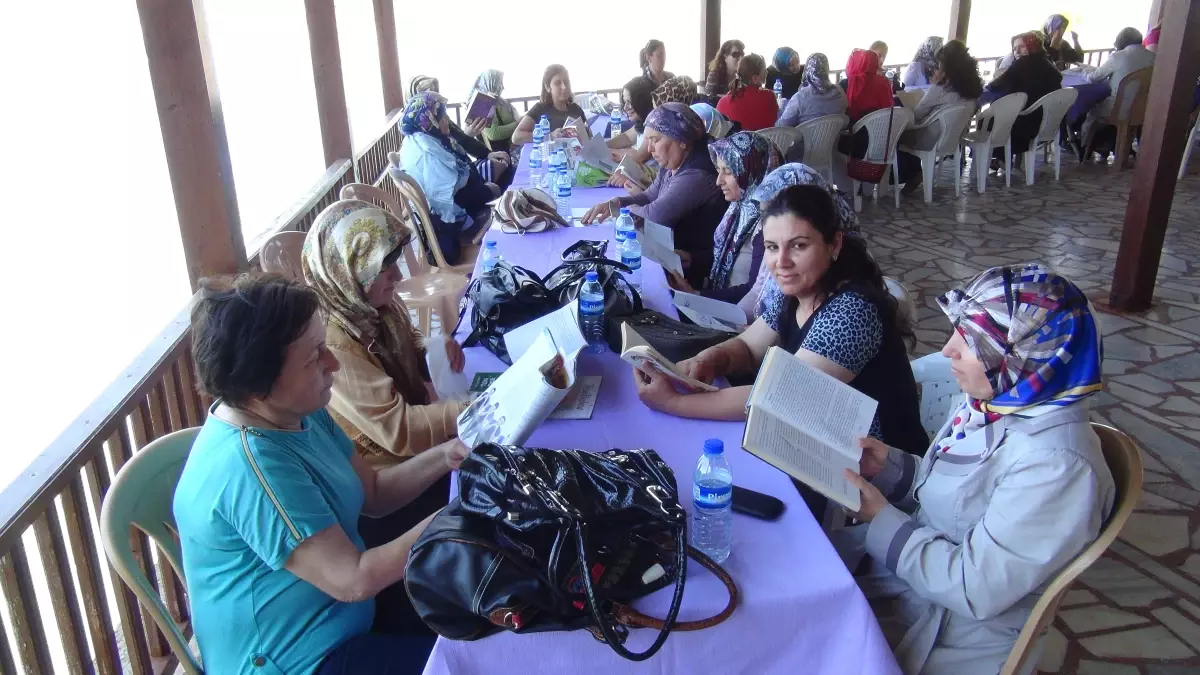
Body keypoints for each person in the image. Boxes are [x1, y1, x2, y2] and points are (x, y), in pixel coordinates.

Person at [174, 273, 471, 675]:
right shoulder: (252, 468)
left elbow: (376, 493)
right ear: (260, 384)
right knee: (474, 655)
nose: (333, 364)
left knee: (482, 605)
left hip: (345, 615)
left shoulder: (297, 411)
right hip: (301, 657)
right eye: (315, 357)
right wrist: (456, 515)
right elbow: (354, 580)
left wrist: (446, 456)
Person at [838, 264, 1113, 675]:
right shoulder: (997, 402)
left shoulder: (1058, 466)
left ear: (1021, 355)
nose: (948, 349)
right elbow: (967, 498)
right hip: (912, 585)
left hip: (948, 632)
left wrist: (880, 518)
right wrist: (890, 467)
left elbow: (974, 587)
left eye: (973, 341)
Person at [633, 165, 927, 462]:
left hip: (879, 472)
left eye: (799, 245)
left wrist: (673, 403)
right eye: (772, 247)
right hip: (823, 444)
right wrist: (713, 358)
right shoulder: (798, 292)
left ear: (834, 244)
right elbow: (749, 347)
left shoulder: (851, 311)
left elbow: (779, 398)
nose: (781, 262)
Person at [580, 103, 727, 288]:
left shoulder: (697, 174)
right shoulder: (675, 161)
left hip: (691, 269)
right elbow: (649, 196)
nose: (649, 149)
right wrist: (616, 202)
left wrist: (621, 212)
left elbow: (653, 216)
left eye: (655, 140)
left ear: (681, 140)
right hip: (671, 254)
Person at [667, 131, 781, 305]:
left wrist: (696, 296)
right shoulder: (738, 206)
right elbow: (726, 256)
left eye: (728, 171)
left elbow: (754, 292)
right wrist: (692, 258)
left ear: (750, 170)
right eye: (719, 170)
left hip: (735, 313)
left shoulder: (770, 223)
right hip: (717, 298)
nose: (718, 180)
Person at [398, 92, 499, 264]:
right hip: (446, 219)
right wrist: (485, 190)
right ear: (429, 121)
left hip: (442, 209)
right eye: (443, 116)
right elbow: (446, 199)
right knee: (498, 193)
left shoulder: (418, 138)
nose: (446, 120)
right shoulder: (429, 153)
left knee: (494, 190)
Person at [895, 41, 983, 194]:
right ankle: (915, 175)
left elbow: (918, 114)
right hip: (953, 138)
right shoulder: (973, 88)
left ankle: (912, 175)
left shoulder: (941, 88)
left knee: (897, 135)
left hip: (931, 138)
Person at [410, 75, 513, 188]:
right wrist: (488, 191)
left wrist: (487, 153)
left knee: (505, 168)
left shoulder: (439, 118)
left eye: (434, 91)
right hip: (457, 184)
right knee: (504, 173)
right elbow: (449, 164)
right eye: (426, 93)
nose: (432, 97)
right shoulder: (424, 134)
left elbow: (460, 140)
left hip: (462, 173)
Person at [987, 33, 1062, 164]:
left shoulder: (1022, 64)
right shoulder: (1047, 63)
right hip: (1048, 121)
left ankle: (998, 157)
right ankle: (1001, 158)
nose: (1016, 51)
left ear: (1031, 46)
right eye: (1014, 47)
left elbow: (995, 86)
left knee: (990, 119)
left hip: (1025, 124)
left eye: (1021, 46)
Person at [1081, 27, 1156, 157]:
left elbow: (1094, 77)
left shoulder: (1118, 56)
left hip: (1118, 108)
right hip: (1144, 109)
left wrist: (1084, 71)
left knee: (1091, 110)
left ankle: (1084, 147)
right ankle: (1111, 144)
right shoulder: (1153, 57)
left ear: (1121, 41)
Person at [511, 64, 588, 145]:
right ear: (547, 87)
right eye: (558, 83)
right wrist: (549, 136)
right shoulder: (540, 108)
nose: (564, 87)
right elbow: (516, 137)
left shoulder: (576, 109)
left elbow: (587, 137)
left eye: (566, 82)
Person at [778, 53, 848, 127]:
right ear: (827, 69)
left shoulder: (800, 97)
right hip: (832, 138)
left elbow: (782, 126)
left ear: (807, 70)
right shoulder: (839, 92)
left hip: (804, 138)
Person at [716, 54, 779, 132]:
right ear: (755, 78)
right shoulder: (769, 96)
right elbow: (775, 121)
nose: (767, 72)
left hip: (733, 143)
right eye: (764, 70)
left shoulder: (723, 101)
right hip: (763, 142)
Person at [607, 75, 656, 166]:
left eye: (630, 102)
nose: (625, 107)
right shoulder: (643, 122)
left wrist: (605, 150)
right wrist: (603, 145)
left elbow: (639, 156)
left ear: (643, 102)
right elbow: (626, 137)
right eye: (625, 102)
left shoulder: (653, 125)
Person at [471, 69, 519, 153]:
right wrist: (518, 124)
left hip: (510, 148)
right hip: (502, 154)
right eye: (499, 83)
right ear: (490, 83)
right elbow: (493, 134)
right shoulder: (483, 104)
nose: (503, 87)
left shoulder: (498, 101)